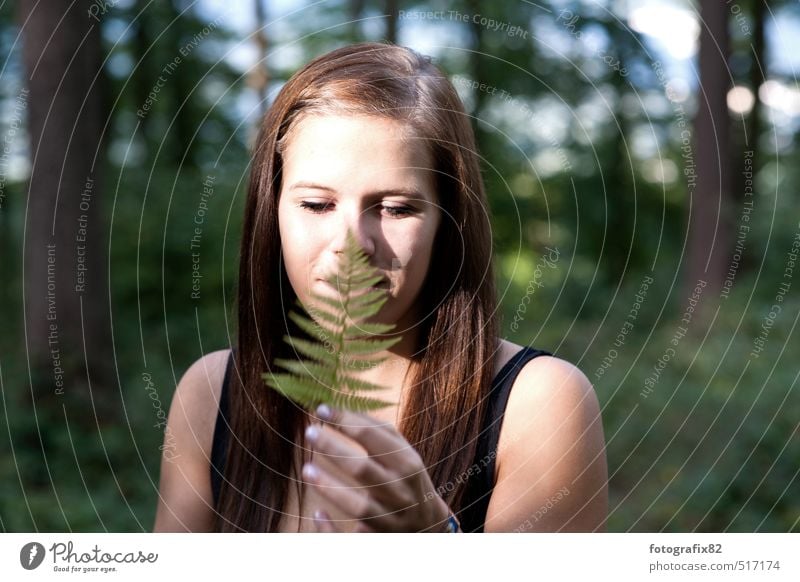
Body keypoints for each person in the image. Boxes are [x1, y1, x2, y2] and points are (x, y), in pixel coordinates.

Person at [153, 41, 607, 533]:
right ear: (272, 212)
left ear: (447, 221)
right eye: (316, 205)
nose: (351, 247)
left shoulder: (536, 404)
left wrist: (434, 540)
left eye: (395, 208)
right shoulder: (214, 394)